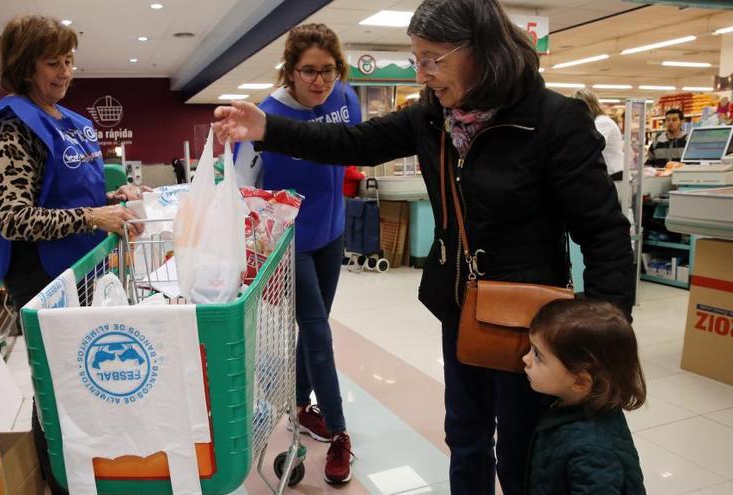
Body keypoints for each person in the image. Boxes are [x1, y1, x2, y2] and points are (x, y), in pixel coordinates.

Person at [213, 1, 635, 493]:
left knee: (523, 449)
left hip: (532, 325)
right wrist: (267, 128)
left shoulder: (553, 121)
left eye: (433, 58)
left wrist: (603, 339)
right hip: (460, 308)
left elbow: (604, 231)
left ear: (482, 50)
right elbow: (354, 143)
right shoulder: (434, 117)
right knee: (465, 435)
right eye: (417, 58)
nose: (423, 72)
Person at [0, 15, 145, 494]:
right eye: (53, 62)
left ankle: (90, 466)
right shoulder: (11, 127)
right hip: (43, 277)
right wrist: (93, 217)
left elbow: (71, 199)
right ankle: (59, 480)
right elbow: (15, 218)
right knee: (56, 388)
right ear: (26, 67)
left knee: (87, 377)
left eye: (69, 60)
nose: (65, 71)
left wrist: (117, 203)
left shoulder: (72, 123)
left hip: (84, 268)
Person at [242, 23, 362, 485]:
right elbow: (244, 190)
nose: (320, 82)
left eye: (328, 71)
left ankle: (298, 404)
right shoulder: (265, 116)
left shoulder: (345, 99)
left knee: (314, 330)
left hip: (332, 233)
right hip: (291, 242)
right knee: (317, 330)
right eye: (309, 71)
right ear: (290, 71)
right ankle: (338, 432)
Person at [523, 299, 646, 494]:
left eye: (538, 355)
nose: (526, 359)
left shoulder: (593, 453)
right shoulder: (567, 404)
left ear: (580, 382)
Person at [572, 89, 624, 181]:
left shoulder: (602, 122)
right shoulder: (593, 122)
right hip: (607, 172)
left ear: (590, 106)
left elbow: (589, 146)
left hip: (613, 173)